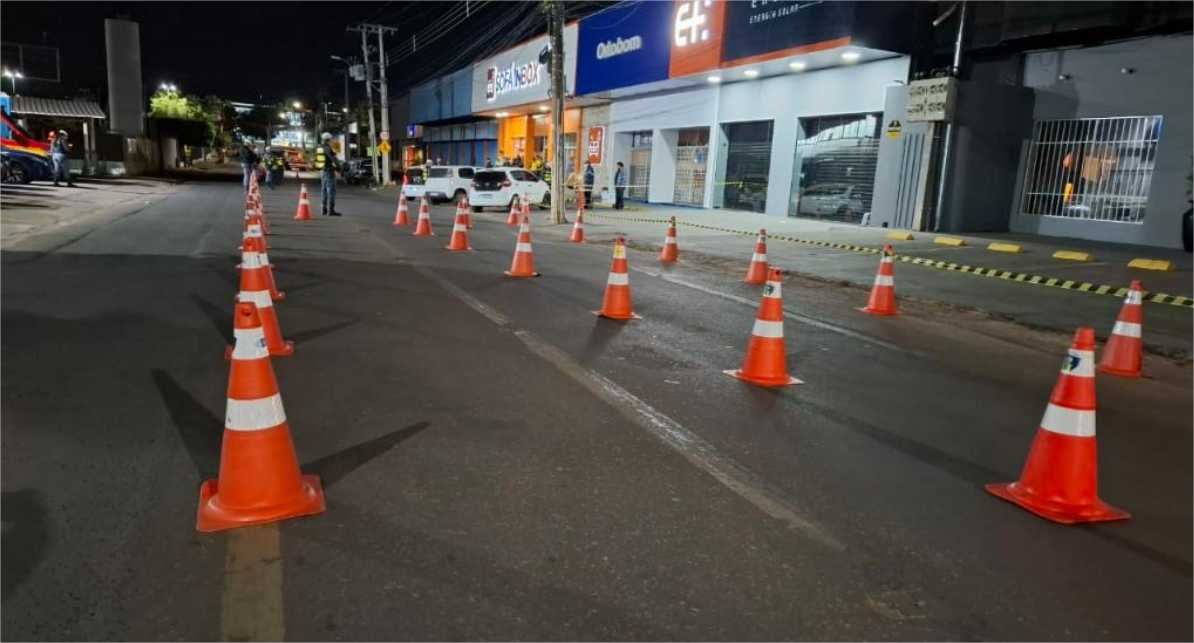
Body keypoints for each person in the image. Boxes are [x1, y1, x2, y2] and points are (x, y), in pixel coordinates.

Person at [313, 133, 342, 216]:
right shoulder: (327, 148)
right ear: (328, 140)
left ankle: (324, 210)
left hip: (322, 171)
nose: (331, 141)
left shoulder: (319, 147)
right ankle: (331, 210)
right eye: (330, 139)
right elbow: (333, 159)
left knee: (324, 190)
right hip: (329, 171)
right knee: (331, 190)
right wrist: (339, 168)